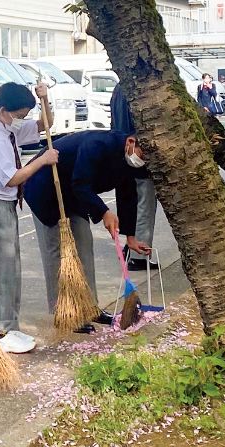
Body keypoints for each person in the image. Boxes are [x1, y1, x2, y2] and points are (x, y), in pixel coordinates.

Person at [26, 131, 146, 332]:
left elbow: (128, 194)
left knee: (84, 246)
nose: (142, 161)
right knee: (57, 251)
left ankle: (90, 307)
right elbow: (80, 182)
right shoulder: (98, 144)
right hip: (46, 188)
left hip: (74, 195)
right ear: (131, 142)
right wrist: (104, 211)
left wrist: (131, 237)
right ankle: (64, 312)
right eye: (142, 155)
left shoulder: (128, 159)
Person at [0, 81, 57, 354]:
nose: (23, 121)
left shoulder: (10, 131)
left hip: (6, 208)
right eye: (20, 115)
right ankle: (0, 328)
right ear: (3, 110)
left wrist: (45, 98)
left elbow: (46, 124)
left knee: (11, 270)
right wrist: (42, 160)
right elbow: (11, 179)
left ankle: (9, 323)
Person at [109, 84, 157, 270]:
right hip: (138, 153)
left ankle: (131, 246)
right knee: (144, 203)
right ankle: (139, 255)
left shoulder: (117, 90)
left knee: (129, 202)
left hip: (122, 151)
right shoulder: (139, 88)